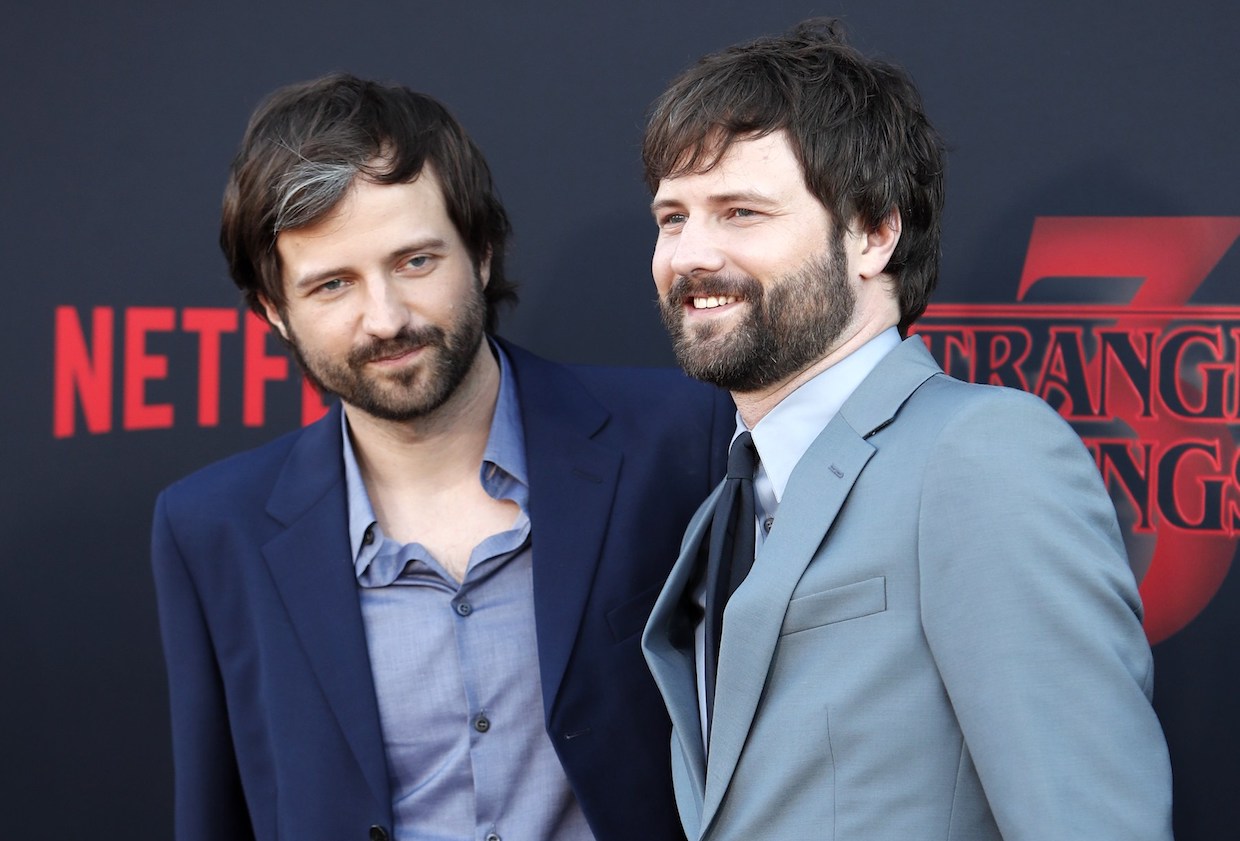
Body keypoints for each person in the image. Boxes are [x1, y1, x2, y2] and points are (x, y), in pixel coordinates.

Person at [151, 74, 732, 841]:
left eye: (416, 261)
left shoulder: (678, 440)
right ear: (274, 312)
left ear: (481, 253)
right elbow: (214, 811)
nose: (385, 317)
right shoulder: (211, 529)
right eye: (332, 285)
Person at [639, 19, 1173, 841]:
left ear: (874, 233)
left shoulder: (980, 455)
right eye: (673, 217)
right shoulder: (729, 503)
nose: (690, 253)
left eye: (740, 211)